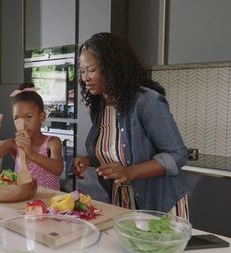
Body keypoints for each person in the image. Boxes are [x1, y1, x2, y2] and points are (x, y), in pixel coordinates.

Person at [73, 33, 189, 219]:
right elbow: (117, 152)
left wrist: (130, 172)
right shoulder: (100, 106)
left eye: (91, 69)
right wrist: (89, 160)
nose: (85, 77)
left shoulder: (146, 101)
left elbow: (178, 156)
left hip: (158, 204)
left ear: (112, 68)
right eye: (82, 71)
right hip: (122, 203)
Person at [0, 83, 64, 190]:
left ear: (41, 117)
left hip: (49, 202)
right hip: (22, 201)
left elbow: (58, 169)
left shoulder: (52, 142)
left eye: (28, 117)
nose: (22, 124)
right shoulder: (13, 144)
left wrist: (30, 153)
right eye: (16, 118)